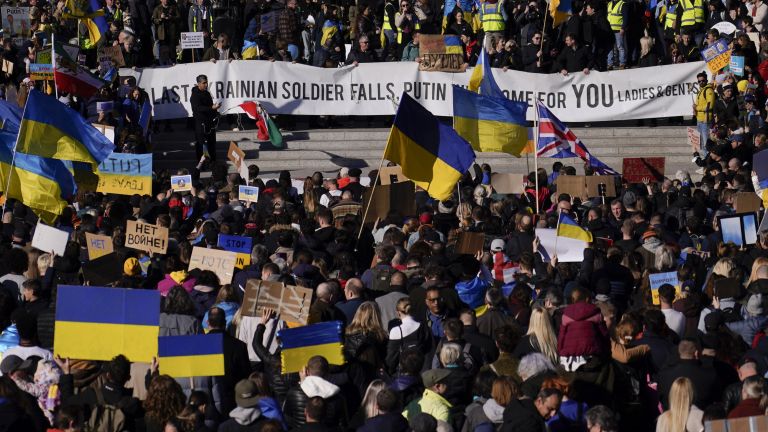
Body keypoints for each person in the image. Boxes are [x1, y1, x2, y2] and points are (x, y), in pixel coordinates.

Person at [190, 74, 220, 164]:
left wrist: (216, 111)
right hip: (200, 124)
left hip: (210, 123)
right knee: (201, 145)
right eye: (204, 83)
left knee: (212, 144)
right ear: (198, 83)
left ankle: (213, 162)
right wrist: (212, 108)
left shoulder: (207, 93)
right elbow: (197, 108)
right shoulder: (195, 95)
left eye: (206, 82)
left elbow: (210, 106)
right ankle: (201, 164)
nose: (206, 85)